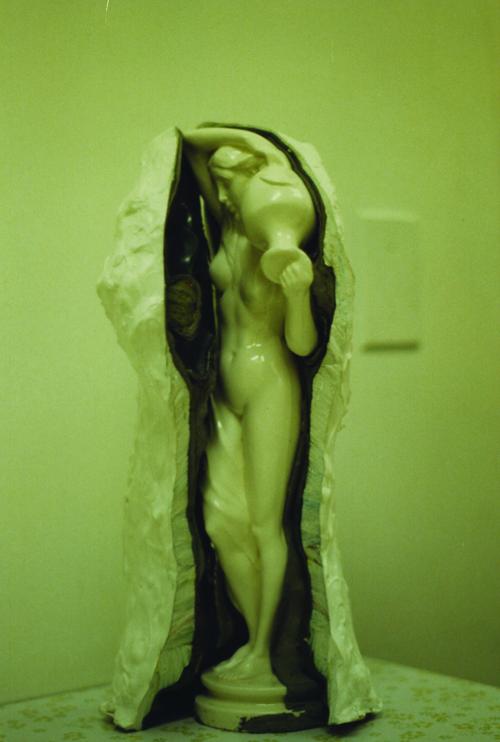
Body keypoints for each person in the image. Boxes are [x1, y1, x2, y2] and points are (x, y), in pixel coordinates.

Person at [183, 128, 318, 682]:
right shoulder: (230, 226)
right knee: (219, 518)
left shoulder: (281, 236)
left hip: (270, 385)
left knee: (265, 524)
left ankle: (263, 652)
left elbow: (302, 345)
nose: (221, 192)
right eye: (218, 185)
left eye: (229, 181)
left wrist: (298, 293)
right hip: (226, 386)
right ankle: (250, 638)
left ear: (255, 180)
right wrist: (254, 144)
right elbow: (192, 146)